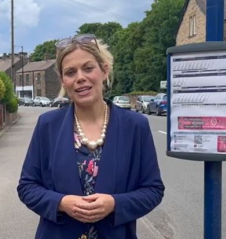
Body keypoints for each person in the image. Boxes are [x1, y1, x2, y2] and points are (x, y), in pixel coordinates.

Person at [17, 34, 165, 239]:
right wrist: (61, 203)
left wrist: (115, 204)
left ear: (104, 70)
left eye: (88, 68)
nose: (80, 77)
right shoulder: (48, 125)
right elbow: (27, 187)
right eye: (70, 72)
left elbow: (153, 190)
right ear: (63, 80)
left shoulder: (135, 126)